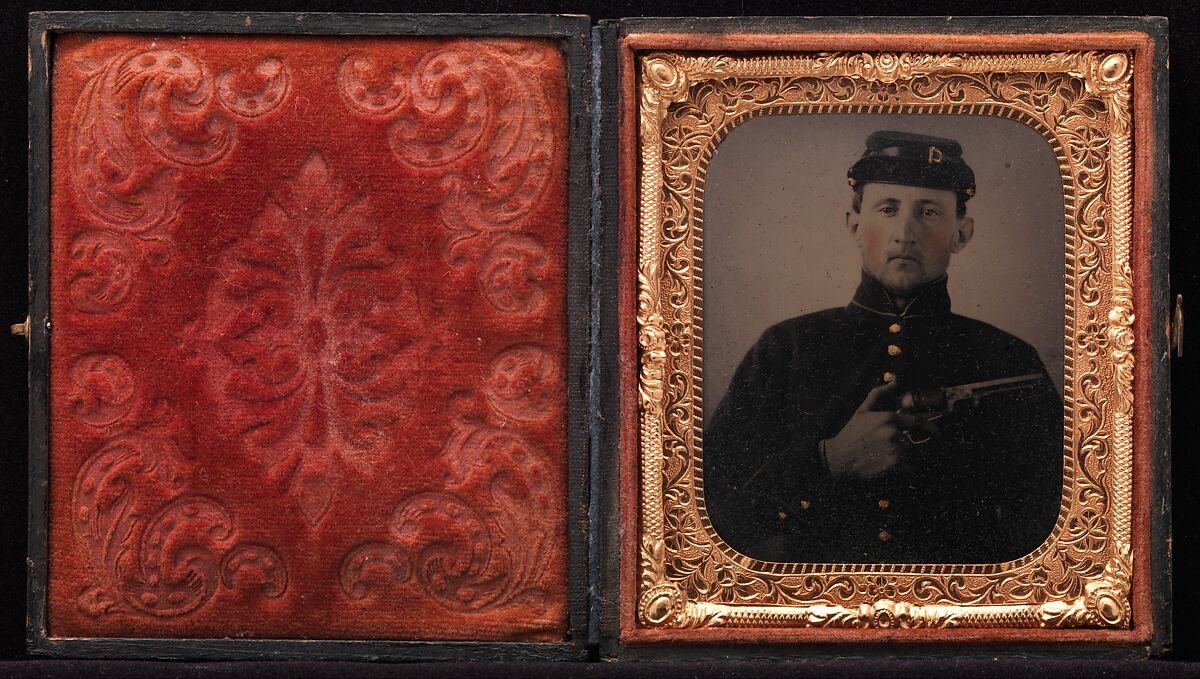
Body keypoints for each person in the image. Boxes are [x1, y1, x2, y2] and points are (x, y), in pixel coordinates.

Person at [703, 131, 1063, 564]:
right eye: (888, 209)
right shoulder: (785, 349)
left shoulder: (1010, 358)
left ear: (961, 233)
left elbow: (1055, 531)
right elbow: (714, 516)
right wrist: (827, 460)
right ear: (855, 225)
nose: (905, 233)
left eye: (929, 212)